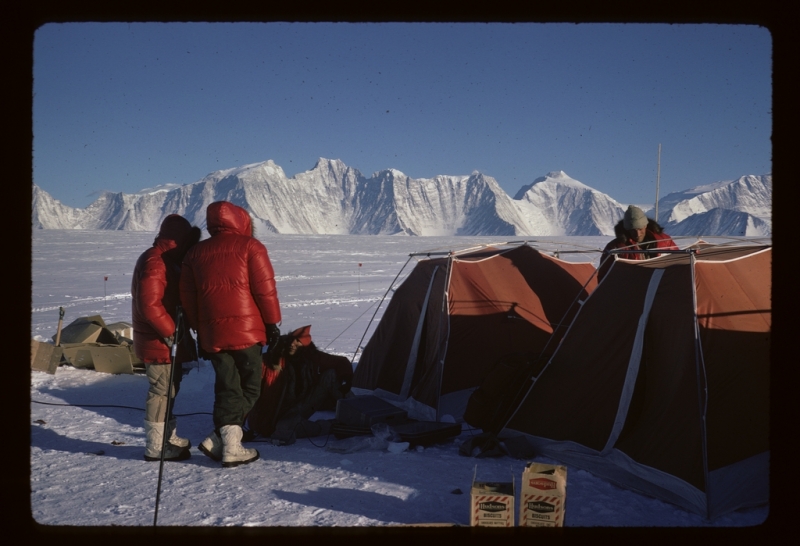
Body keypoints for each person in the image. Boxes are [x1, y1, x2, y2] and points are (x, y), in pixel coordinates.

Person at [180, 201, 281, 467]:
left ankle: (222, 439)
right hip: (247, 332)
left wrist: (198, 328)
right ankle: (228, 444)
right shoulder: (251, 247)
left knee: (227, 386)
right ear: (241, 220)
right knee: (251, 386)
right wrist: (272, 323)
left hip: (212, 333)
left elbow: (189, 298)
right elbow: (264, 289)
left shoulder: (195, 253)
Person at [132, 214, 201, 462]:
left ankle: (166, 437)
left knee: (169, 390)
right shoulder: (156, 262)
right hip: (159, 341)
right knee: (161, 392)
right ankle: (156, 447)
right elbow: (149, 305)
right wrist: (171, 332)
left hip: (163, 340)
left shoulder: (165, 260)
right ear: (178, 241)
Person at [247, 325, 353, 446]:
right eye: (291, 339)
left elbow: (340, 362)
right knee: (285, 428)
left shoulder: (311, 356)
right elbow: (248, 389)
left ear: (305, 345)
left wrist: (346, 380)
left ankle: (357, 410)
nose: (292, 343)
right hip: (275, 416)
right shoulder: (271, 360)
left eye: (298, 341)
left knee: (331, 375)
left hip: (301, 403)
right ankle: (333, 426)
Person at [598, 205, 678, 281]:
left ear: (645, 225)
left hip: (662, 287)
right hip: (631, 291)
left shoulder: (665, 241)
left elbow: (679, 262)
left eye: (640, 229)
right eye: (633, 230)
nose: (637, 234)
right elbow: (604, 276)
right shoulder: (615, 248)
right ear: (627, 229)